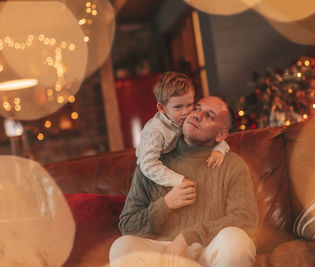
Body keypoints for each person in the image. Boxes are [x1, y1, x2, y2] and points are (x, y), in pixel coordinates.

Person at [110, 96, 259, 267]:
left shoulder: (232, 165)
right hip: (165, 253)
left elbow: (246, 219)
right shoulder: (151, 161)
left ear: (221, 135)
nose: (196, 116)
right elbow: (128, 225)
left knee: (236, 240)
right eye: (196, 108)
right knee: (122, 247)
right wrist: (165, 205)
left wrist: (188, 237)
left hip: (210, 250)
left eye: (209, 116)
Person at [136, 71, 229, 187]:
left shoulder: (183, 118)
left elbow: (211, 135)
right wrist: (180, 181)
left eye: (190, 105)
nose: (185, 112)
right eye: (178, 107)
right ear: (162, 108)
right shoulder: (155, 131)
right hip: (151, 177)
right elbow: (148, 165)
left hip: (175, 165)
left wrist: (219, 149)